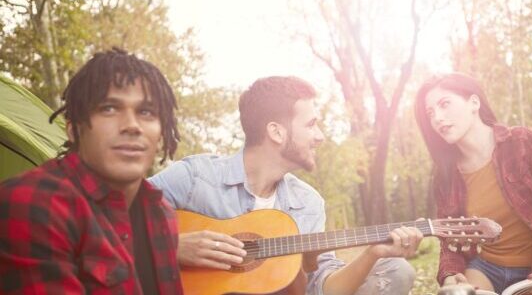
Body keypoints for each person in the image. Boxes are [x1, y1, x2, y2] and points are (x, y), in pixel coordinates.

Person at [149, 76, 421, 295]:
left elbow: (323, 289)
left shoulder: (308, 203)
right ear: (276, 132)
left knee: (396, 270)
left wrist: (373, 253)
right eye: (311, 125)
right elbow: (114, 218)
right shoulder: (195, 177)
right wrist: (171, 247)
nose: (320, 136)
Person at [0, 48, 183, 294]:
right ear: (74, 129)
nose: (132, 125)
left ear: (162, 132)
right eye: (109, 108)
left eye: (146, 112)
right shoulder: (32, 203)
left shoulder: (162, 213)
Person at [414, 73, 532, 295]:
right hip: (484, 269)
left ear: (474, 103)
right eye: (430, 113)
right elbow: (450, 244)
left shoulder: (523, 142)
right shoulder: (446, 176)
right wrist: (450, 277)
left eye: (444, 104)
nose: (437, 118)